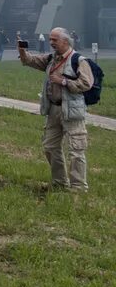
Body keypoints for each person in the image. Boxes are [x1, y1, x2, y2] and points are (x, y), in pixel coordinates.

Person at [19, 27, 92, 192]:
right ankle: (60, 183)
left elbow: (87, 84)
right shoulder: (52, 58)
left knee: (76, 149)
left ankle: (78, 187)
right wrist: (23, 52)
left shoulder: (78, 60)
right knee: (50, 146)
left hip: (72, 111)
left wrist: (64, 82)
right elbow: (32, 60)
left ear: (65, 41)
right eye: (50, 39)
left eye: (54, 40)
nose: (51, 43)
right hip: (53, 110)